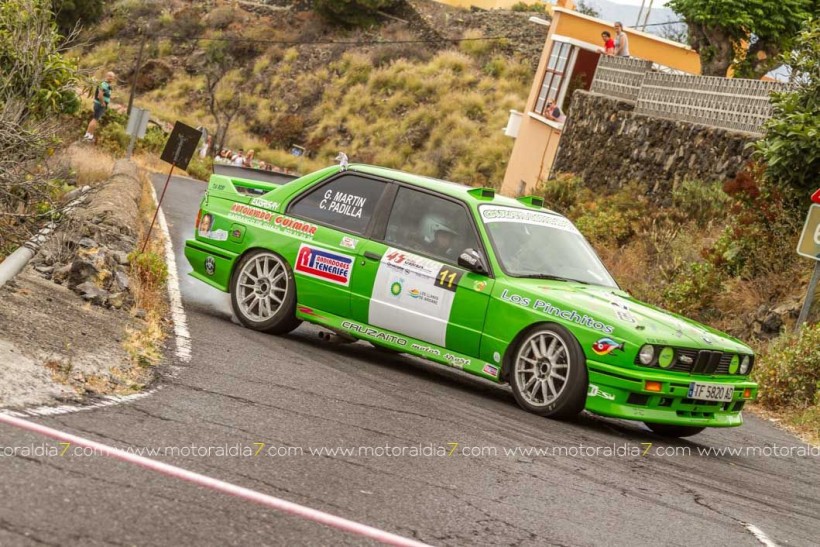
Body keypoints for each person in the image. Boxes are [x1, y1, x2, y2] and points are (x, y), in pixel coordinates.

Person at [83, 71, 116, 142]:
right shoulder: (104, 84)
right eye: (109, 76)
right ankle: (89, 135)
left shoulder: (107, 85)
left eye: (112, 77)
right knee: (95, 119)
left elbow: (104, 95)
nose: (111, 78)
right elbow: (100, 95)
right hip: (99, 104)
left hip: (99, 104)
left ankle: (88, 135)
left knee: (95, 119)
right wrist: (103, 103)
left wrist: (111, 98)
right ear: (106, 76)